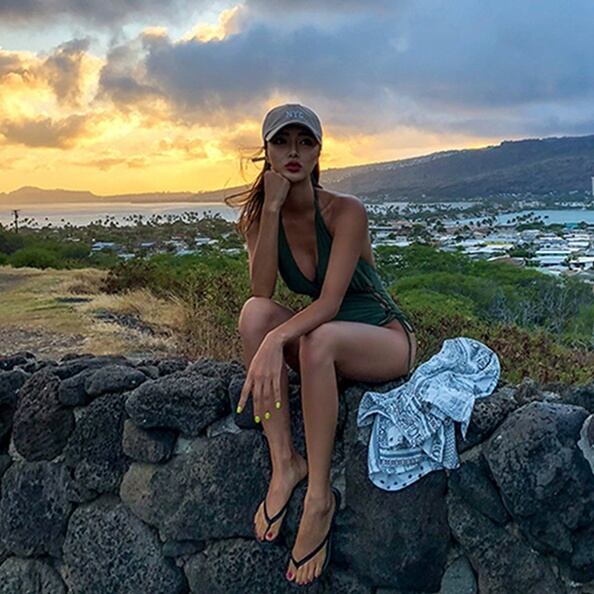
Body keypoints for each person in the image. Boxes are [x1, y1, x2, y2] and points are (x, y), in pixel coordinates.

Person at [230, 103, 418, 586]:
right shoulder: (260, 219)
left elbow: (331, 302)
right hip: (323, 341)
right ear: (266, 152)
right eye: (281, 142)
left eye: (305, 141)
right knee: (254, 315)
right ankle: (284, 463)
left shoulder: (344, 211)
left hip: (383, 336)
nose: (293, 151)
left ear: (319, 151)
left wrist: (278, 339)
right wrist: (271, 209)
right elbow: (262, 292)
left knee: (316, 339)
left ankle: (319, 498)